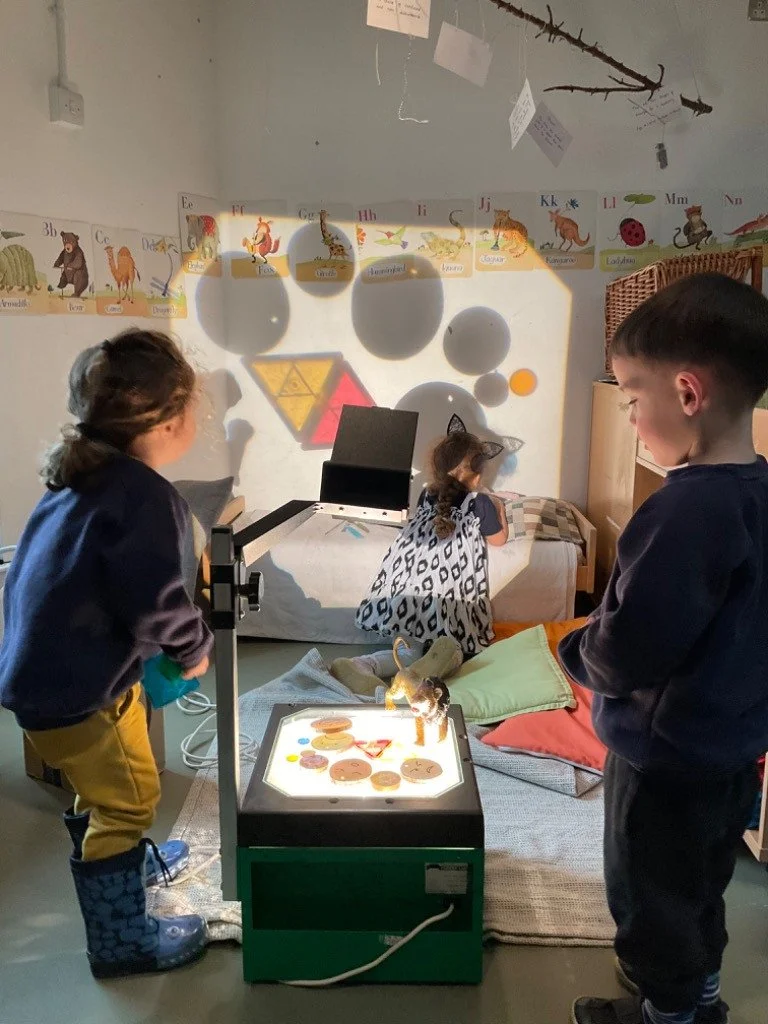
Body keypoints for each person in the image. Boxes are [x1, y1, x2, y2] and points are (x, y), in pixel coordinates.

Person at [559, 273, 768, 1024]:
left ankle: (667, 1014)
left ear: (685, 394)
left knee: (648, 898)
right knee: (702, 884)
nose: (630, 417)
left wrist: (577, 651)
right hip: (734, 751)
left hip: (663, 758)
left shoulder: (682, 513)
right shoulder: (758, 490)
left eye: (629, 399)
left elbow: (627, 652)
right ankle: (700, 997)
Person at [0, 329, 214, 978]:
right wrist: (195, 645)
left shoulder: (75, 476)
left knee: (113, 786)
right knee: (126, 800)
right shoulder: (147, 497)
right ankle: (122, 940)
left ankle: (123, 860)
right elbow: (156, 600)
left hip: (55, 675)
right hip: (79, 691)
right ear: (171, 421)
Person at [355, 413, 509, 658]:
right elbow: (499, 540)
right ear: (478, 476)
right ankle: (412, 665)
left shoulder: (426, 494)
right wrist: (500, 509)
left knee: (407, 647)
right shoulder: (480, 503)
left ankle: (377, 662)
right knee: (448, 652)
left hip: (409, 587)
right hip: (448, 596)